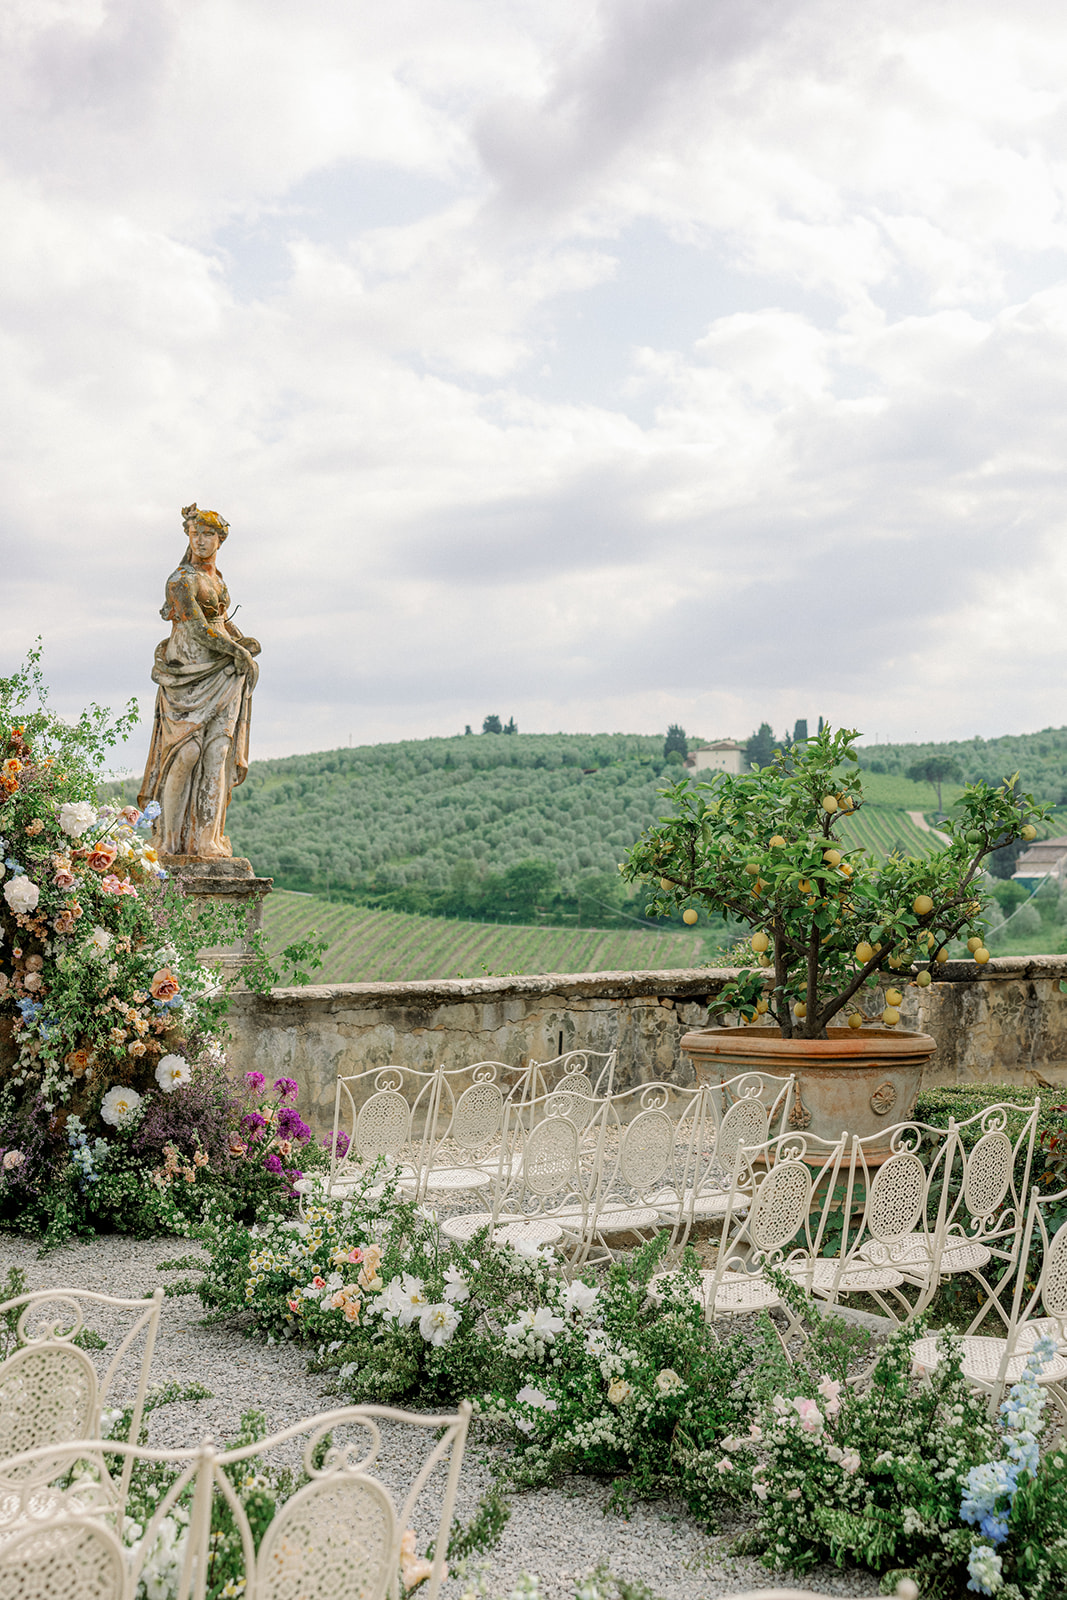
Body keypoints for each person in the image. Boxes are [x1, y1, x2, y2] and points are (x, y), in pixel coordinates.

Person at [138, 505, 261, 861]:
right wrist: (237, 651)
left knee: (217, 754)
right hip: (187, 671)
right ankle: (168, 842)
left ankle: (207, 840)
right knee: (186, 752)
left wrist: (241, 642)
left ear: (220, 539)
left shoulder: (218, 580)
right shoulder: (180, 579)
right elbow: (194, 626)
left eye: (208, 534)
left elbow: (218, 621)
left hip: (222, 671)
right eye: (195, 534)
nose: (201, 540)